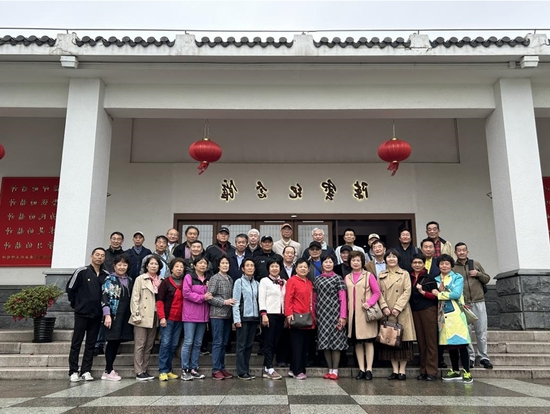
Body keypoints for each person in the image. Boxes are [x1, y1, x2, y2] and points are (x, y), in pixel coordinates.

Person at [66, 247, 109, 382]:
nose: (99, 257)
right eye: (97, 254)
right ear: (91, 256)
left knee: (91, 343)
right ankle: (73, 371)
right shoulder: (82, 271)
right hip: (82, 313)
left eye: (102, 255)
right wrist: (76, 304)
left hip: (96, 314)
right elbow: (70, 288)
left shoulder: (106, 275)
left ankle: (86, 370)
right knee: (76, 342)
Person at [432, 254, 473, 384]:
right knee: (451, 345)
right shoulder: (436, 279)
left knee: (461, 344)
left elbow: (456, 294)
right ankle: (455, 370)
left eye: (447, 263)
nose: (444, 266)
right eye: (441, 264)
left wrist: (439, 294)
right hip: (442, 315)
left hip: (456, 314)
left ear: (451, 265)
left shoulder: (457, 277)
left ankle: (466, 371)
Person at [377, 248, 416, 380]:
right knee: (390, 340)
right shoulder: (381, 274)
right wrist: (384, 306)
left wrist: (398, 307)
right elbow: (378, 292)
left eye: (394, 256)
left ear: (398, 259)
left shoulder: (404, 274)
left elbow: (407, 291)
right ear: (385, 259)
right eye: (389, 257)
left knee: (403, 341)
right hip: (387, 312)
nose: (391, 259)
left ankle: (402, 371)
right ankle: (394, 370)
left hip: (402, 311)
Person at [453, 242, 493, 369]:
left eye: (463, 250)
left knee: (481, 330)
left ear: (467, 251)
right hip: (464, 304)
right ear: (455, 253)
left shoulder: (475, 264)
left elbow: (487, 278)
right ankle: (470, 357)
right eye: (459, 250)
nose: (461, 252)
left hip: (479, 301)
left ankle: (484, 357)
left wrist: (478, 274)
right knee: (467, 331)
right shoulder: (453, 268)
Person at [345, 250, 380, 381]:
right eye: (353, 260)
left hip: (365, 313)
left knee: (368, 341)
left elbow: (377, 292)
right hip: (353, 314)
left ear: (362, 262)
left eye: (358, 260)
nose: (355, 262)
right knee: (357, 343)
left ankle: (369, 369)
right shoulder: (347, 277)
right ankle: (361, 369)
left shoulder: (368, 275)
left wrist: (369, 303)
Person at [101, 254, 133, 381]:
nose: (122, 267)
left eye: (124, 264)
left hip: (125, 315)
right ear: (114, 266)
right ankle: (108, 370)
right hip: (113, 315)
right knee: (112, 341)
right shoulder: (110, 279)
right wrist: (107, 315)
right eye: (119, 264)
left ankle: (109, 369)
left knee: (117, 341)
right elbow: (104, 297)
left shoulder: (129, 280)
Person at [315, 255, 347, 380]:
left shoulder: (338, 278)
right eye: (326, 262)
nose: (328, 264)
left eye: (330, 262)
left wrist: (343, 316)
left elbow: (343, 298)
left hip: (335, 314)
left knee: (336, 343)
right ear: (322, 264)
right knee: (324, 343)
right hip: (322, 315)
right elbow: (315, 298)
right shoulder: (317, 279)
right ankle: (329, 369)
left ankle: (335, 370)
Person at [130, 254, 161, 381]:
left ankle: (144, 369)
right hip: (142, 315)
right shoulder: (140, 279)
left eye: (156, 264)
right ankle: (138, 371)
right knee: (140, 344)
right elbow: (135, 298)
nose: (153, 266)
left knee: (149, 345)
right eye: (151, 264)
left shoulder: (161, 280)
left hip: (154, 315)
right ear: (147, 266)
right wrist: (135, 314)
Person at [181, 256, 212, 381]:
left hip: (203, 316)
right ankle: (185, 369)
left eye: (205, 263)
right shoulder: (189, 277)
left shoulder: (209, 279)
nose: (203, 265)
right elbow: (186, 293)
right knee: (188, 342)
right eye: (200, 263)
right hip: (190, 315)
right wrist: (202, 297)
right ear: (194, 265)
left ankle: (194, 368)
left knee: (198, 343)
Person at [409, 253, 438, 381]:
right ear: (411, 264)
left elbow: (435, 296)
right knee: (421, 342)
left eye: (420, 263)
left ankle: (431, 371)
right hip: (415, 311)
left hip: (428, 310)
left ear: (424, 264)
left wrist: (423, 292)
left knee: (430, 341)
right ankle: (423, 370)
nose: (417, 265)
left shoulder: (429, 278)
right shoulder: (409, 277)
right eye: (415, 263)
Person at [285, 258, 315, 380]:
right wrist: (288, 313)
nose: (303, 269)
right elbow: (288, 298)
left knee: (304, 346)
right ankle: (298, 371)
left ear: (308, 269)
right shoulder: (292, 281)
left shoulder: (309, 282)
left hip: (307, 317)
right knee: (297, 346)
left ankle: (295, 369)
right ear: (296, 268)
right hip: (296, 316)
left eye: (305, 267)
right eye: (300, 267)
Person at [208, 256, 237, 380]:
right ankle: (216, 369)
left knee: (224, 343)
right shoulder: (215, 278)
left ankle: (221, 367)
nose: (225, 265)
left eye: (227, 263)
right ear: (218, 265)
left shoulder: (230, 279)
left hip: (227, 315)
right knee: (218, 342)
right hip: (217, 315)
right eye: (223, 263)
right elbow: (209, 297)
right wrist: (224, 302)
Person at [156, 258, 185, 381]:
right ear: (171, 268)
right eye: (176, 266)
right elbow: (160, 301)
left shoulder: (185, 282)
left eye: (181, 267)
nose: (179, 269)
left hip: (180, 319)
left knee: (173, 345)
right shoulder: (166, 282)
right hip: (168, 319)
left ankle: (169, 370)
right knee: (165, 343)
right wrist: (162, 317)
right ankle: (162, 370)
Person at [233, 258, 260, 380]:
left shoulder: (256, 283)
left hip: (253, 318)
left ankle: (246, 370)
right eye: (247, 265)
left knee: (249, 345)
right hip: (243, 318)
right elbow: (236, 302)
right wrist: (236, 319)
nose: (250, 267)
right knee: (241, 345)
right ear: (243, 268)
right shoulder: (239, 282)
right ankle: (241, 371)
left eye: (252, 265)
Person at [259, 258, 286, 380]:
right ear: (268, 268)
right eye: (272, 266)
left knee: (276, 341)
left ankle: (267, 366)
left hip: (281, 314)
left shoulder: (283, 281)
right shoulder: (264, 281)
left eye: (277, 266)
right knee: (269, 341)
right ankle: (269, 368)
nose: (275, 268)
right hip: (269, 314)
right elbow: (261, 298)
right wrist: (263, 314)